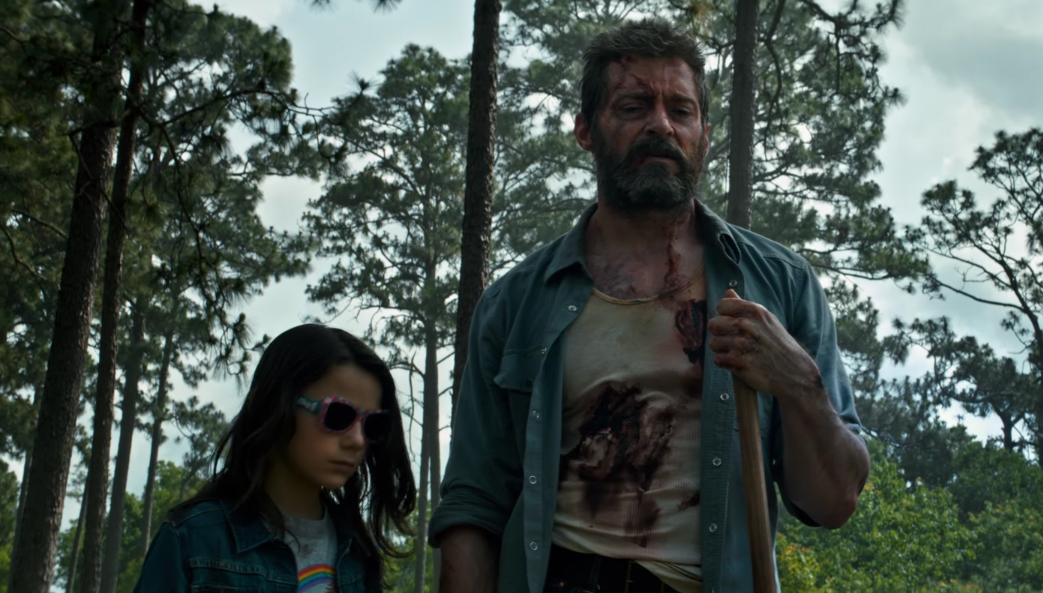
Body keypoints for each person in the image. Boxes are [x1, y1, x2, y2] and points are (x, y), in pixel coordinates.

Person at [431, 17, 871, 593]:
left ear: (704, 135)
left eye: (680, 110)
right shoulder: (515, 305)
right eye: (633, 106)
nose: (660, 124)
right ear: (586, 130)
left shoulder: (779, 285)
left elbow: (834, 502)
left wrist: (799, 385)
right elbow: (474, 503)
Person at [131, 324, 417, 592]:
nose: (357, 440)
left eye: (372, 425)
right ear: (266, 405)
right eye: (338, 415)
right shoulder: (192, 542)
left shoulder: (358, 553)